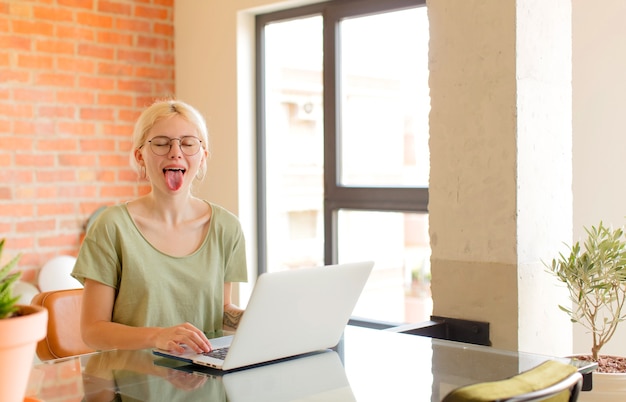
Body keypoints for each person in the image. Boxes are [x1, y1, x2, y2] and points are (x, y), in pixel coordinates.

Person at [71, 99, 247, 355]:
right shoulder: (111, 226)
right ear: (140, 155)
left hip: (204, 381)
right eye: (162, 143)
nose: (176, 152)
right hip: (131, 384)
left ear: (203, 156)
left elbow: (219, 310)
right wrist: (158, 336)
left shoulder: (227, 227)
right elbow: (93, 331)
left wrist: (256, 319)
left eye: (188, 143)